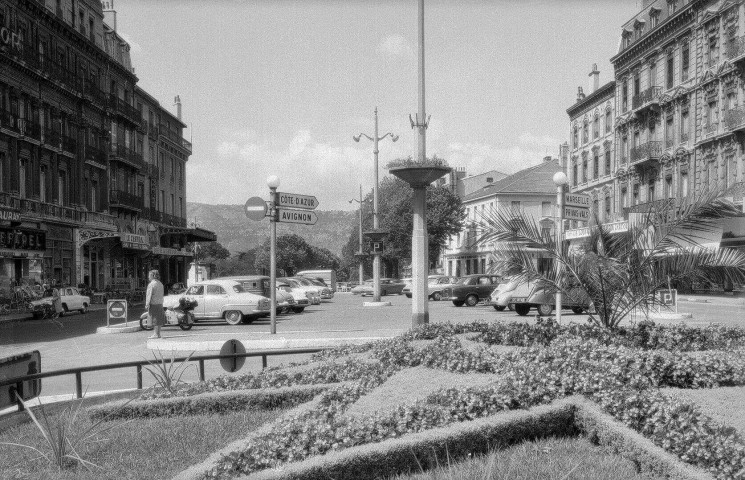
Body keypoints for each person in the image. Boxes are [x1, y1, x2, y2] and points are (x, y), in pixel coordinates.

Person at [145, 269, 166, 339]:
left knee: (155, 320)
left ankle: (155, 334)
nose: (148, 277)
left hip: (154, 303)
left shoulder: (151, 284)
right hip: (160, 303)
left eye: (149, 275)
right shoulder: (160, 284)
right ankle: (158, 333)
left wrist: (147, 304)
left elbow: (149, 295)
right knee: (159, 319)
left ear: (152, 275)